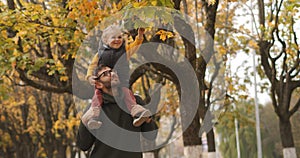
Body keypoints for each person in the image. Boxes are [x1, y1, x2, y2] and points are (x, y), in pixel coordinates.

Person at [77, 65, 158, 158]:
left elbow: (151, 136)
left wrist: (148, 119)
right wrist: (84, 121)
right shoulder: (93, 109)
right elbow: (83, 145)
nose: (112, 74)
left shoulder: (135, 102)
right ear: (99, 84)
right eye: (105, 74)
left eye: (112, 71)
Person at [85, 25, 152, 129]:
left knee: (127, 94)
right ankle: (94, 118)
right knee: (97, 97)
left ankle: (136, 113)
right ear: (106, 40)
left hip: (121, 81)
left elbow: (135, 45)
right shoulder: (100, 54)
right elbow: (92, 66)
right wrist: (89, 77)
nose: (117, 40)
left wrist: (140, 36)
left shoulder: (125, 51)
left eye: (119, 37)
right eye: (113, 37)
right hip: (104, 82)